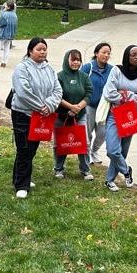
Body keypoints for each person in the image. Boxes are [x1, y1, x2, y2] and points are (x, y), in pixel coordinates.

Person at [10, 37, 62, 199]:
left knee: (32, 147)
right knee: (24, 148)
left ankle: (20, 177)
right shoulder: (22, 68)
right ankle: (21, 184)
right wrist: (41, 107)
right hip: (23, 114)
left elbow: (57, 90)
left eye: (44, 49)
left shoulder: (49, 69)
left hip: (42, 115)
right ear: (30, 50)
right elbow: (23, 91)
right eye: (39, 49)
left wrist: (49, 106)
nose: (42, 52)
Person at [101, 45, 137, 192]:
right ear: (126, 57)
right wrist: (130, 97)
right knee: (112, 150)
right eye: (133, 55)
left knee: (122, 150)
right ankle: (126, 170)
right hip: (114, 114)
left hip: (130, 116)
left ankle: (110, 180)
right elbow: (109, 93)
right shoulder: (116, 71)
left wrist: (125, 94)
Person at [53, 49, 93, 181]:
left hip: (79, 114)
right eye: (73, 59)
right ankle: (58, 168)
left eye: (78, 60)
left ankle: (85, 169)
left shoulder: (83, 76)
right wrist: (70, 107)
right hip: (62, 115)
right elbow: (56, 95)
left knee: (84, 142)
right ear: (67, 60)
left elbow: (88, 93)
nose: (76, 62)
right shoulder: (59, 76)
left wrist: (78, 107)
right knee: (60, 142)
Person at [81, 42, 112, 165]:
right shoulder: (88, 67)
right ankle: (87, 153)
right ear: (96, 53)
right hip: (89, 106)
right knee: (87, 132)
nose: (106, 55)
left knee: (102, 133)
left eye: (108, 53)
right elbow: (80, 83)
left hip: (104, 107)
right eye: (104, 52)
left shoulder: (112, 70)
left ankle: (95, 151)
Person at [0, 0, 18, 67]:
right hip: (11, 34)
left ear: (8, 7)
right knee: (7, 48)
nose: (4, 6)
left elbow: (1, 23)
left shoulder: (4, 14)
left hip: (3, 33)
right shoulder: (15, 15)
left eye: (6, 5)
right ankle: (4, 62)